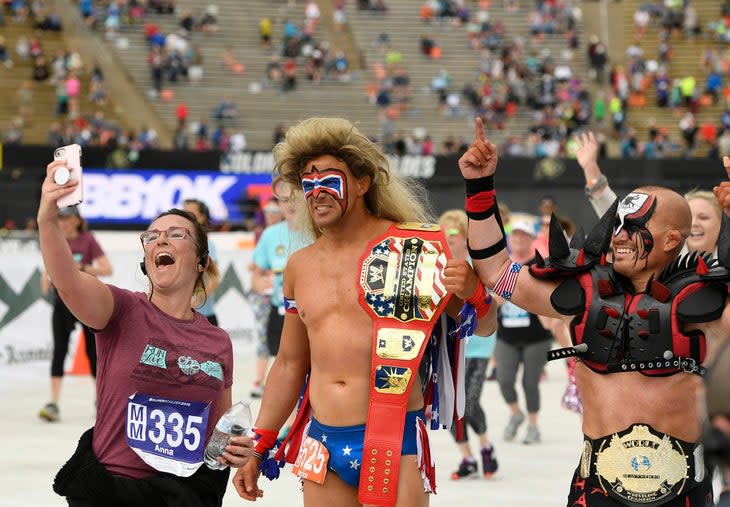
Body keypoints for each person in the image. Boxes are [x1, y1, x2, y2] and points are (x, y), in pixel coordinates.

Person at [458, 117, 730, 506]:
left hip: (683, 493)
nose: (618, 235)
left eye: (634, 227)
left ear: (672, 239)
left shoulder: (707, 303)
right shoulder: (584, 293)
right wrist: (479, 187)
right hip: (595, 491)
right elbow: (498, 273)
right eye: (618, 225)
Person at [233, 117, 496, 506]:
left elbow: (485, 327)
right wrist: (260, 444)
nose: (317, 194)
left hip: (396, 435)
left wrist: (476, 293)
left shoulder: (414, 248)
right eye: (309, 185)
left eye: (329, 182)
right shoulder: (300, 265)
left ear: (361, 182)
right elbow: (289, 363)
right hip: (322, 441)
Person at [38, 159, 253, 505]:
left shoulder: (218, 341)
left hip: (182, 497)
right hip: (113, 493)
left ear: (201, 261)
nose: (159, 240)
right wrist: (47, 216)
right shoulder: (121, 309)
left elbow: (219, 435)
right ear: (146, 258)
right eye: (151, 237)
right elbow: (67, 280)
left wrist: (236, 451)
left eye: (176, 233)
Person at [439, 210, 499, 480]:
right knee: (450, 406)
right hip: (448, 347)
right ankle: (467, 457)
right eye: (443, 234)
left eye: (453, 234)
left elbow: (500, 296)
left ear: (465, 237)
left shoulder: (479, 267)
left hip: (477, 347)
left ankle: (486, 447)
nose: (448, 239)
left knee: (470, 402)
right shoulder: (435, 266)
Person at [39, 206, 112, 422]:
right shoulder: (56, 239)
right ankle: (53, 402)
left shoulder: (88, 239)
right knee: (59, 349)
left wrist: (81, 268)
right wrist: (46, 276)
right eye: (61, 218)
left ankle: (101, 400)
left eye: (69, 218)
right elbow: (49, 266)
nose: (65, 222)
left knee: (93, 351)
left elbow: (107, 268)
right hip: (63, 302)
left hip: (87, 301)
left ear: (77, 220)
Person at [493, 218, 560, 445]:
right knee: (504, 381)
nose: (519, 239)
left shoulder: (539, 266)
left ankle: (533, 426)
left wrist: (551, 319)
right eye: (515, 235)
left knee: (530, 383)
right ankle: (515, 414)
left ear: (532, 239)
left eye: (524, 235)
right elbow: (492, 300)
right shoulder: (501, 265)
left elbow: (551, 295)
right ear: (509, 239)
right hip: (507, 336)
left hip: (536, 337)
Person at [249, 186, 307, 400]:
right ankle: (288, 424)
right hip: (281, 309)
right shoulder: (271, 234)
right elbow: (256, 275)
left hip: (312, 312)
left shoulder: (319, 230)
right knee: (284, 364)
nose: (289, 204)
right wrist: (262, 284)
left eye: (294, 199)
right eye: (283, 200)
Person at [183, 198, 221, 326]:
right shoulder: (175, 245)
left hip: (203, 316)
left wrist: (198, 298)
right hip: (179, 317)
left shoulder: (208, 245)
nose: (187, 218)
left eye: (191, 214)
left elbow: (213, 279)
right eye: (184, 213)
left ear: (202, 217)